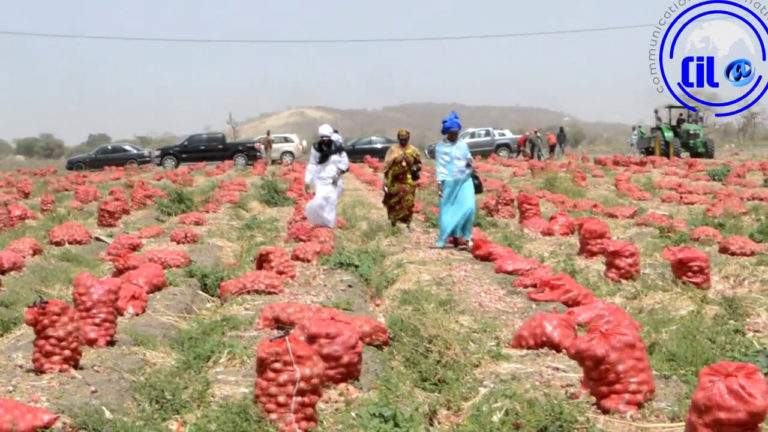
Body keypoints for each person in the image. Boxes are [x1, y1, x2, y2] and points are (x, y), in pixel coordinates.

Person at [434, 111, 475, 249]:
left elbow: (469, 157)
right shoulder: (440, 148)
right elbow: (440, 167)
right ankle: (444, 239)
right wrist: (439, 185)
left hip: (465, 180)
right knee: (448, 211)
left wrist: (470, 162)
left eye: (456, 133)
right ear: (446, 133)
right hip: (449, 183)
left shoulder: (463, 144)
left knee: (469, 207)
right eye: (451, 133)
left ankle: (467, 237)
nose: (454, 136)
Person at [304, 124, 349, 228]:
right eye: (322, 138)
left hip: (333, 180)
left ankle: (329, 225)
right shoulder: (316, 148)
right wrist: (307, 181)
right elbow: (312, 164)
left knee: (331, 202)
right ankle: (321, 221)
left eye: (326, 138)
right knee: (319, 201)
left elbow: (344, 162)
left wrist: (337, 174)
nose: (324, 140)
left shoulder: (337, 148)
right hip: (320, 179)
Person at [382, 129, 422, 230]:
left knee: (408, 201)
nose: (403, 141)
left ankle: (407, 223)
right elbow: (386, 166)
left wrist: (415, 167)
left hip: (408, 180)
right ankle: (393, 220)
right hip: (394, 180)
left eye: (405, 139)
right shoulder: (392, 150)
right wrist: (385, 181)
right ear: (398, 139)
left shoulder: (414, 150)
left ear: (408, 138)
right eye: (401, 139)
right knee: (393, 201)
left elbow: (419, 164)